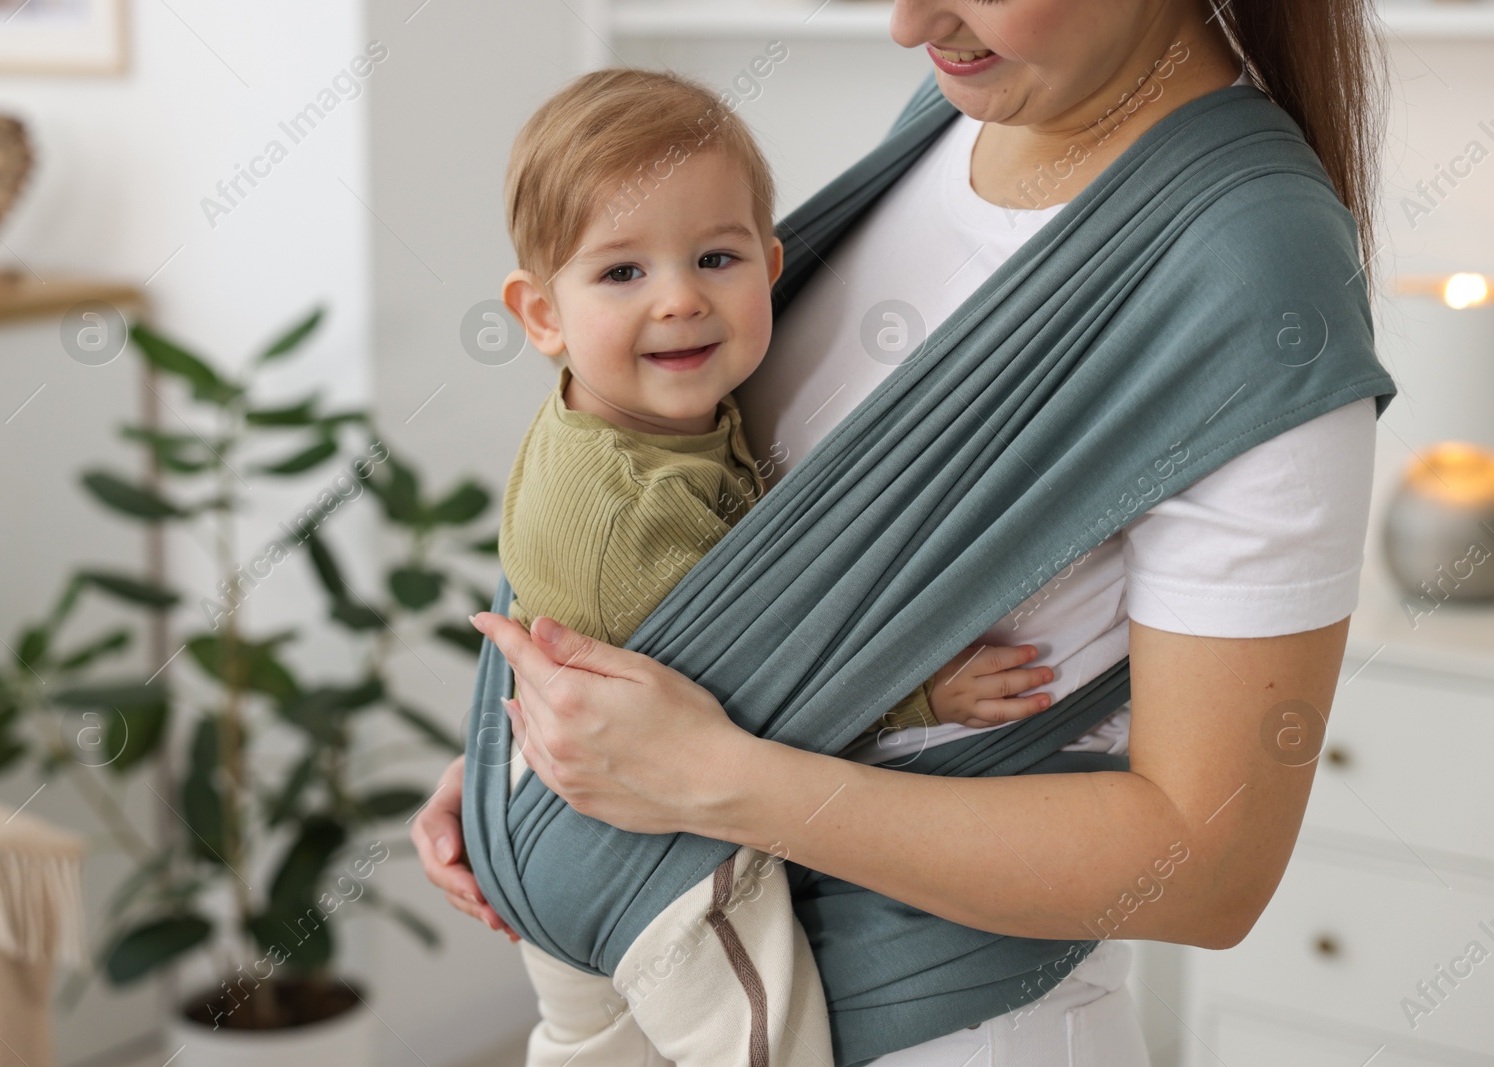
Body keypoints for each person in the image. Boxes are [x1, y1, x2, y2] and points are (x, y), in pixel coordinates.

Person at [416, 0, 1389, 1062]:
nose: (905, 20)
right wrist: (545, 747)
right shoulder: (964, 103)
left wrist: (700, 772)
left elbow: (1207, 868)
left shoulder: (1250, 268)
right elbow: (692, 530)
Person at [493, 67, 1058, 1066]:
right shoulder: (636, 505)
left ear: (771, 265)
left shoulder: (620, 421)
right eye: (621, 273)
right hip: (645, 856)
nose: (679, 300)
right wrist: (919, 696)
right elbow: (750, 694)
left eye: (715, 256)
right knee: (768, 1042)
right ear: (541, 315)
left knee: (591, 1047)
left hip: (546, 805)